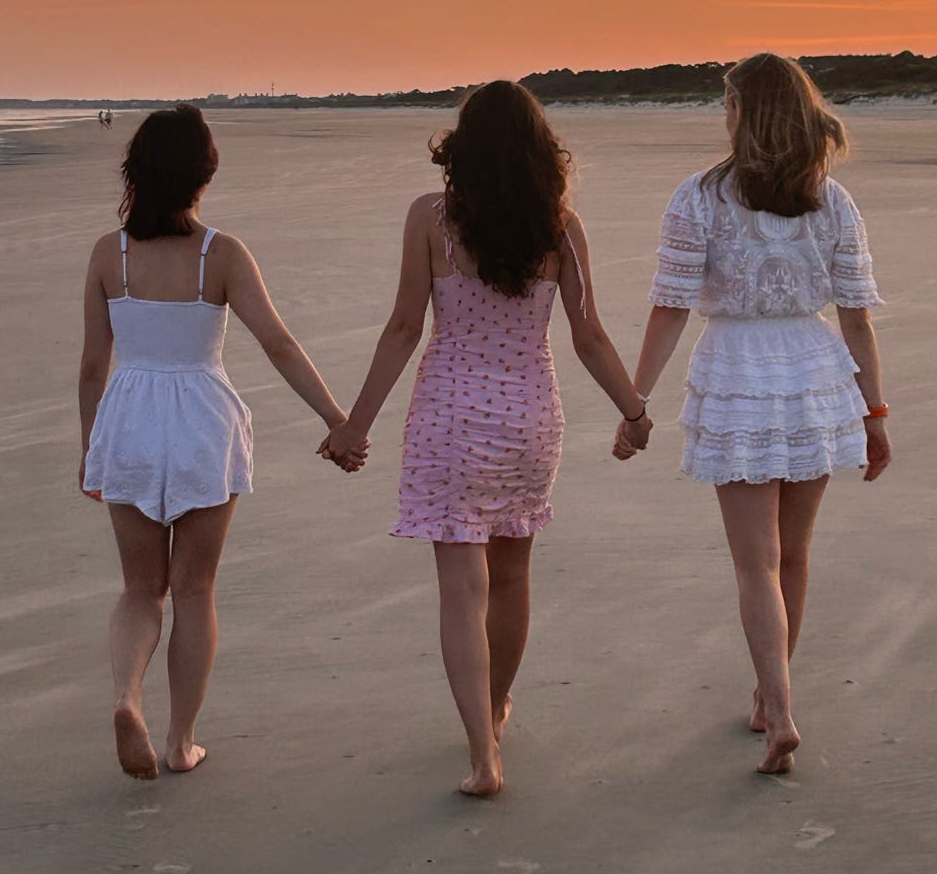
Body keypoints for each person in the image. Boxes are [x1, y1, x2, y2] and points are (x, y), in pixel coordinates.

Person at [321, 81, 650, 797]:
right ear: (539, 152)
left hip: (450, 417)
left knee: (460, 590)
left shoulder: (431, 218)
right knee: (511, 577)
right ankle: (496, 709)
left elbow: (404, 328)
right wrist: (634, 410)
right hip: (530, 417)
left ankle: (482, 755)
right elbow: (588, 334)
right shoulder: (561, 228)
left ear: (462, 148)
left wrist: (355, 424)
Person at [620, 53, 890, 776]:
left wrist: (635, 400)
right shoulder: (832, 199)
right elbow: (857, 318)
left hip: (739, 371)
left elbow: (671, 306)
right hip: (816, 373)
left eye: (728, 104)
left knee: (756, 564)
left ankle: (780, 710)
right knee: (792, 556)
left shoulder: (700, 196)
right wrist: (874, 412)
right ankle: (771, 703)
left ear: (744, 113)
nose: (724, 116)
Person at [78, 103, 362, 781]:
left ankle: (127, 697)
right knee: (194, 589)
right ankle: (180, 743)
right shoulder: (221, 253)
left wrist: (92, 449)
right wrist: (337, 419)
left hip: (131, 420)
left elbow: (92, 365)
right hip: (203, 422)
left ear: (136, 171)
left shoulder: (111, 254)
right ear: (204, 175)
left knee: (141, 589)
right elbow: (278, 343)